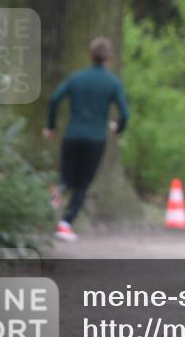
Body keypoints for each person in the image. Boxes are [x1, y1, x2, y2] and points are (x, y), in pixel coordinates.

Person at [43, 37, 129, 242]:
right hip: (95, 139)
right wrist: (118, 128)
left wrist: (51, 125)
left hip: (72, 135)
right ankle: (65, 224)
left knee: (66, 178)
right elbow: (125, 113)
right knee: (83, 184)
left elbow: (54, 99)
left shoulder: (76, 78)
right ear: (109, 58)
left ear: (90, 56)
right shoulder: (113, 83)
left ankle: (52, 202)